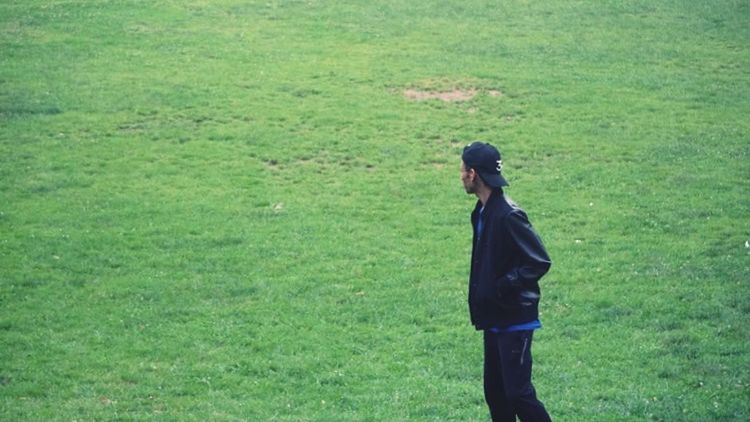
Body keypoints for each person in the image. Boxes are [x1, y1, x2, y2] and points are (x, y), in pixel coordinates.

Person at [460, 142, 553, 422]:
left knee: (518, 394)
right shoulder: (483, 211)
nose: (461, 175)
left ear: (473, 174)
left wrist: (502, 287)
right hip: (494, 317)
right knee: (496, 394)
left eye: (463, 169)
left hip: (515, 319)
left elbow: (539, 260)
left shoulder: (508, 215)